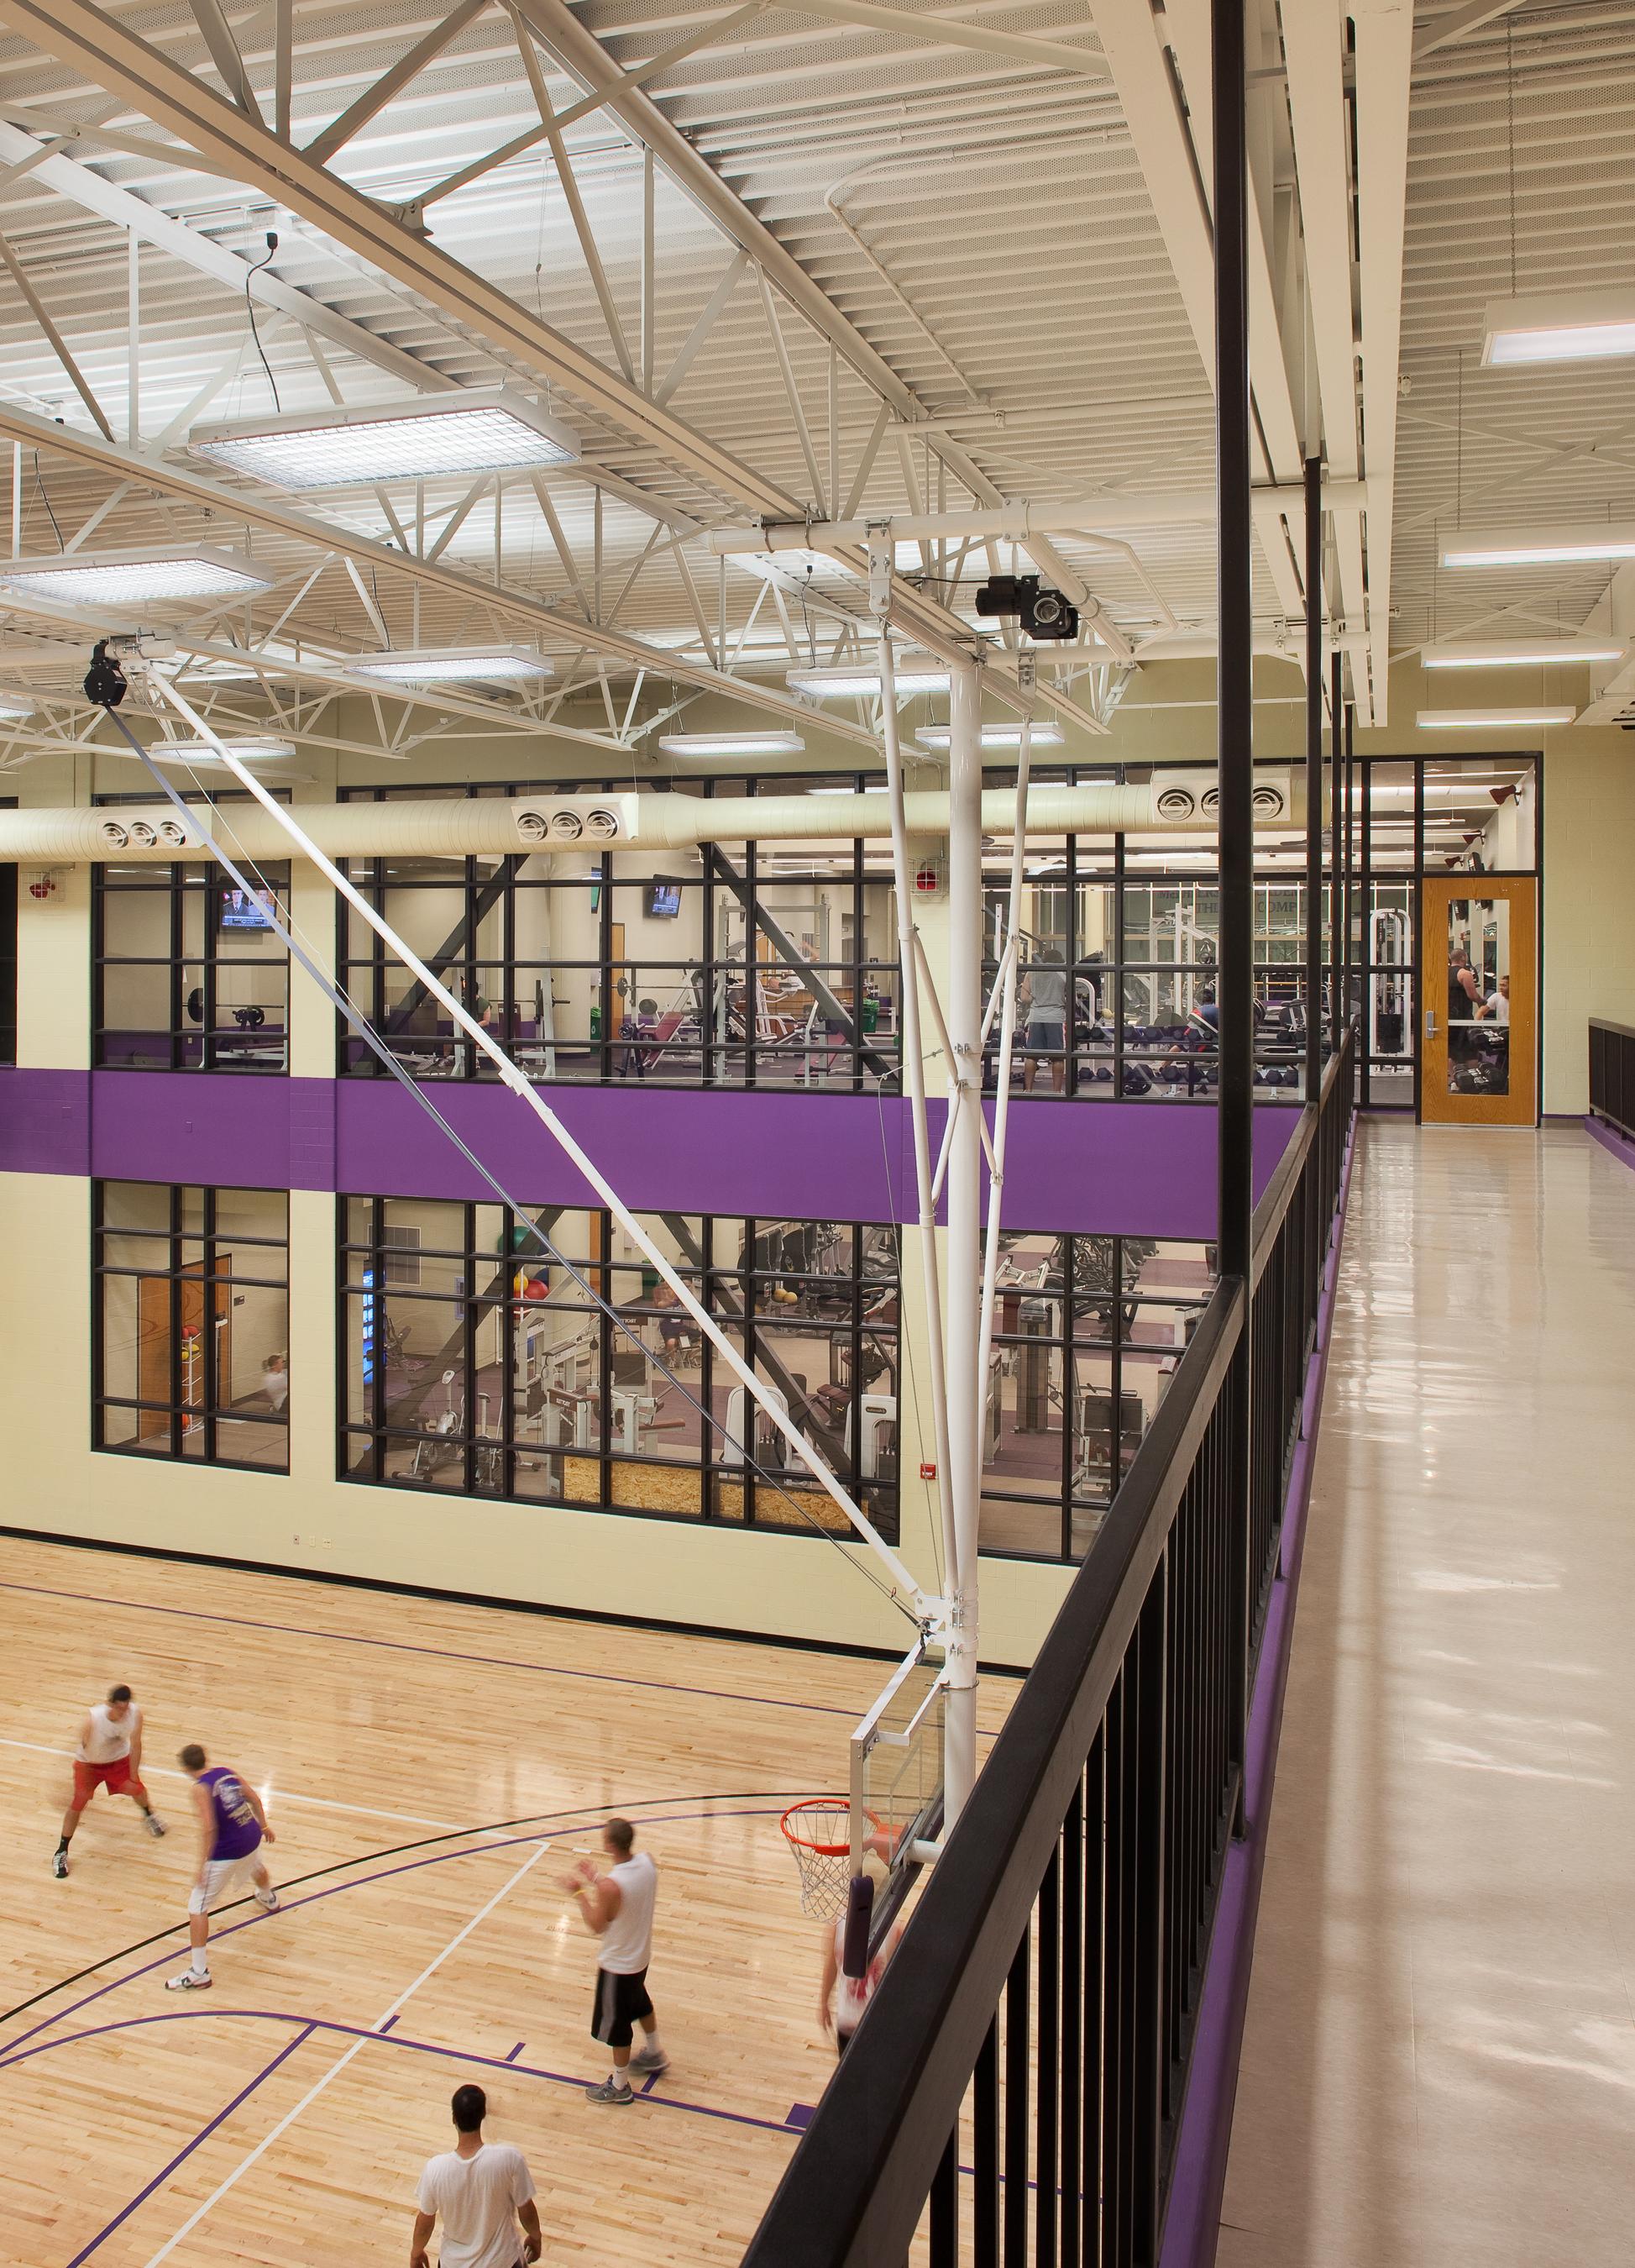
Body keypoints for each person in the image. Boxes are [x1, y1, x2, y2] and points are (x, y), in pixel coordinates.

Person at [563, 1816, 667, 2104]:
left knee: (619, 2027)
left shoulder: (610, 1887)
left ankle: (620, 2086)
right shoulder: (647, 1862)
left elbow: (597, 1924)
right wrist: (597, 1878)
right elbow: (625, 1893)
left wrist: (580, 1892)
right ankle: (655, 2052)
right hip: (641, 1957)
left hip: (618, 1966)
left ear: (609, 1844)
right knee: (641, 2003)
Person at [165, 1742, 278, 1991]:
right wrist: (264, 1826)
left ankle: (199, 1972)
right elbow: (255, 1798)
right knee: (254, 1865)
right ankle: (269, 1898)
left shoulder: (200, 1789)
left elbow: (209, 1828)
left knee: (197, 1906)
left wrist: (202, 1866)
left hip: (229, 1850)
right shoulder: (227, 1772)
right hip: (250, 1834)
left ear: (185, 1768)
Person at [410, 2084, 541, 2268]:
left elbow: (424, 2223)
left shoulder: (435, 2169)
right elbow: (526, 2209)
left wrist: (416, 2254)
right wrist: (535, 2237)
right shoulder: (509, 2158)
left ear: (454, 2118)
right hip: (503, 2263)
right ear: (483, 2115)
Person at [53, 1683, 165, 1877]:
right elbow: (84, 1749)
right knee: (78, 1802)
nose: (123, 1712)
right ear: (110, 1704)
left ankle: (149, 1815)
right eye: (119, 1708)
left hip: (118, 1760)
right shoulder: (93, 1719)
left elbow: (136, 1745)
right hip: (89, 1765)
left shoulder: (135, 1714)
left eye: (126, 1707)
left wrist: (133, 1775)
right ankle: (61, 1851)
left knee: (137, 1789)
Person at [817, 1909, 903, 2059]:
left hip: (876, 2026)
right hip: (846, 2023)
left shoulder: (893, 1929)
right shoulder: (838, 1924)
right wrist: (824, 2001)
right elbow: (831, 1964)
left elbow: (902, 1983)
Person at [1020, 951, 1068, 1093]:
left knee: (1031, 1056)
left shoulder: (1032, 972)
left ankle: (1028, 1090)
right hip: (1056, 1017)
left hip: (1036, 1017)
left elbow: (1024, 998)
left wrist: (1037, 1000)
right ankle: (1057, 1091)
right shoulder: (1063, 973)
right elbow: (1070, 996)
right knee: (1058, 1057)